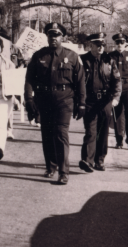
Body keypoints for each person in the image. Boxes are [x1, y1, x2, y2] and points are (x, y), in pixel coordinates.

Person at [25, 22, 85, 185]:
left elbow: (80, 81)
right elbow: (29, 79)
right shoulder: (38, 56)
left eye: (57, 35)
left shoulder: (72, 56)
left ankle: (63, 172)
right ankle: (50, 166)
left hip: (64, 100)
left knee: (60, 133)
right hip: (44, 99)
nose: (54, 38)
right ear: (47, 36)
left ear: (62, 37)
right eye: (51, 35)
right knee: (47, 134)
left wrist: (81, 103)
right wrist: (29, 100)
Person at [78, 33, 121, 173]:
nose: (100, 48)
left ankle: (100, 160)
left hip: (105, 101)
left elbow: (116, 81)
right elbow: (77, 80)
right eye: (97, 45)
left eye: (102, 45)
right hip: (89, 100)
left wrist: (116, 98)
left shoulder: (109, 60)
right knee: (90, 131)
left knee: (103, 132)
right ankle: (87, 161)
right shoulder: (83, 60)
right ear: (91, 45)